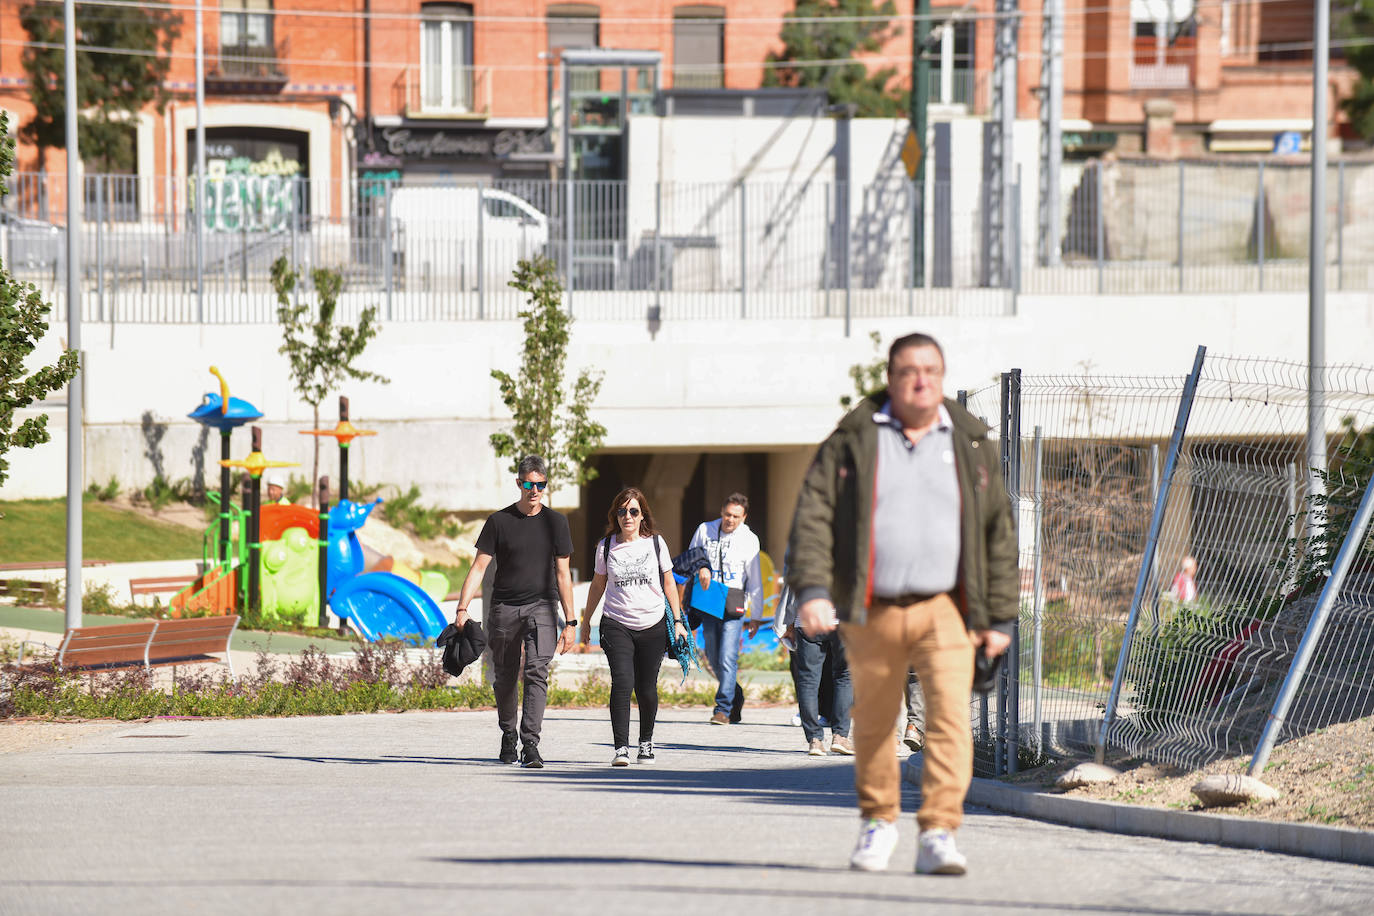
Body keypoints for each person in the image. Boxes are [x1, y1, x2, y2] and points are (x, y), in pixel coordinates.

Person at [789, 332, 1017, 876]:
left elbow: (997, 531)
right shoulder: (855, 438)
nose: (921, 380)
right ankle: (879, 823)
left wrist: (1000, 615)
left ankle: (938, 831)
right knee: (871, 720)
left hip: (949, 608)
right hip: (874, 606)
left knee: (948, 719)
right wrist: (814, 591)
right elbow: (815, 513)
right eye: (909, 371)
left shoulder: (969, 440)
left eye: (931, 371)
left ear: (941, 377)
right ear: (891, 378)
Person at [454, 455, 576, 769]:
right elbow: (479, 567)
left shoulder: (556, 522)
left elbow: (563, 575)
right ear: (518, 483)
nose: (534, 490)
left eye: (540, 484)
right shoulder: (499, 522)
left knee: (537, 671)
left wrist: (571, 622)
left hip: (543, 607)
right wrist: (462, 608)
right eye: (528, 484)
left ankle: (531, 744)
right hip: (505, 607)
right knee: (505, 676)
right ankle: (509, 733)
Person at [579, 487, 691, 766]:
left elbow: (668, 583)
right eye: (621, 511)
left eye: (633, 511)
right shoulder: (606, 546)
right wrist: (585, 622)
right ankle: (621, 748)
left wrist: (677, 621)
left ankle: (646, 742)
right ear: (615, 515)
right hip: (617, 622)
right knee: (622, 682)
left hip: (652, 623)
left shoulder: (656, 543)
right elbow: (597, 585)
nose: (627, 516)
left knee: (646, 688)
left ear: (642, 516)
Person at [688, 493, 764, 726]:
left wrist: (756, 617)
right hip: (709, 601)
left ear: (744, 517)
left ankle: (722, 709)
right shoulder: (704, 530)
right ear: (721, 511)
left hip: (733, 602)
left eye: (736, 516)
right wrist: (701, 567)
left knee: (728, 657)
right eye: (727, 514)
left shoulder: (750, 539)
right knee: (712, 656)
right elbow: (691, 558)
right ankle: (735, 693)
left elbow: (755, 580)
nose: (730, 520)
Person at [775, 555, 852, 756]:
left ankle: (815, 741)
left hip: (807, 619)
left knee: (808, 681)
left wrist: (786, 621)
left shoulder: (805, 544)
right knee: (844, 676)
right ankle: (840, 736)